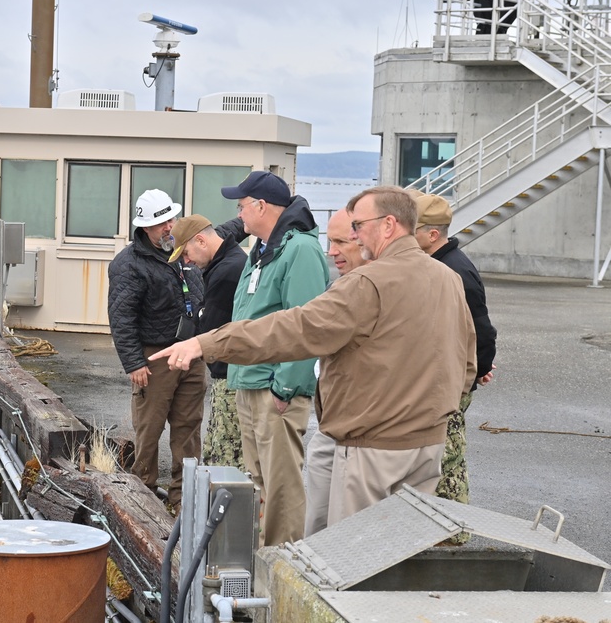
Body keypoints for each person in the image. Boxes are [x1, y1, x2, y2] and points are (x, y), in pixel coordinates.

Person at [151, 186, 477, 527]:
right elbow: (466, 362)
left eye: (358, 227)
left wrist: (206, 343)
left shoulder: (367, 282)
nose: (353, 237)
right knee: (398, 548)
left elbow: (295, 328)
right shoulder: (448, 278)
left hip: (373, 448)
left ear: (388, 225)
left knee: (351, 556)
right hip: (428, 446)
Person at [216, 170, 329, 545]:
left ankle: (282, 565)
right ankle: (263, 559)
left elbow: (307, 323)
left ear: (262, 206)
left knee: (281, 484)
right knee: (259, 481)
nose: (239, 213)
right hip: (250, 382)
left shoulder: (299, 249)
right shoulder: (263, 250)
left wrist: (286, 385)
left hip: (273, 388)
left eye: (242, 205)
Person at [107, 189, 207, 511]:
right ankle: (143, 499)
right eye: (162, 222)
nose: (169, 227)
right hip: (154, 358)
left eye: (172, 219)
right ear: (145, 227)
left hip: (191, 353)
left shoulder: (185, 252)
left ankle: (183, 501)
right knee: (149, 430)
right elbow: (121, 317)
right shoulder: (128, 264)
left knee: (189, 428)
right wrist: (134, 362)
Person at [412, 192, 497, 506]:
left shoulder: (455, 271)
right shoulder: (439, 264)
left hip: (449, 385)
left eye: (412, 231)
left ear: (432, 234)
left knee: (446, 459)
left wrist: (475, 372)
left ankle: (452, 534)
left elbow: (482, 330)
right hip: (443, 377)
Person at [304, 208, 368, 536]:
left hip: (366, 439)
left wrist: (212, 344)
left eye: (340, 241)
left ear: (368, 239)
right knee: (316, 521)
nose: (331, 252)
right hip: (331, 427)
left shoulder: (376, 288)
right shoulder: (343, 286)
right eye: (330, 241)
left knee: (350, 534)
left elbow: (294, 330)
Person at [167, 214, 248, 471]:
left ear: (201, 240)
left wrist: (201, 318)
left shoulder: (226, 271)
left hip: (230, 376)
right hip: (230, 374)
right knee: (217, 452)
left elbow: (211, 330)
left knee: (225, 459)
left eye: (187, 253)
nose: (187, 261)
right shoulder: (228, 262)